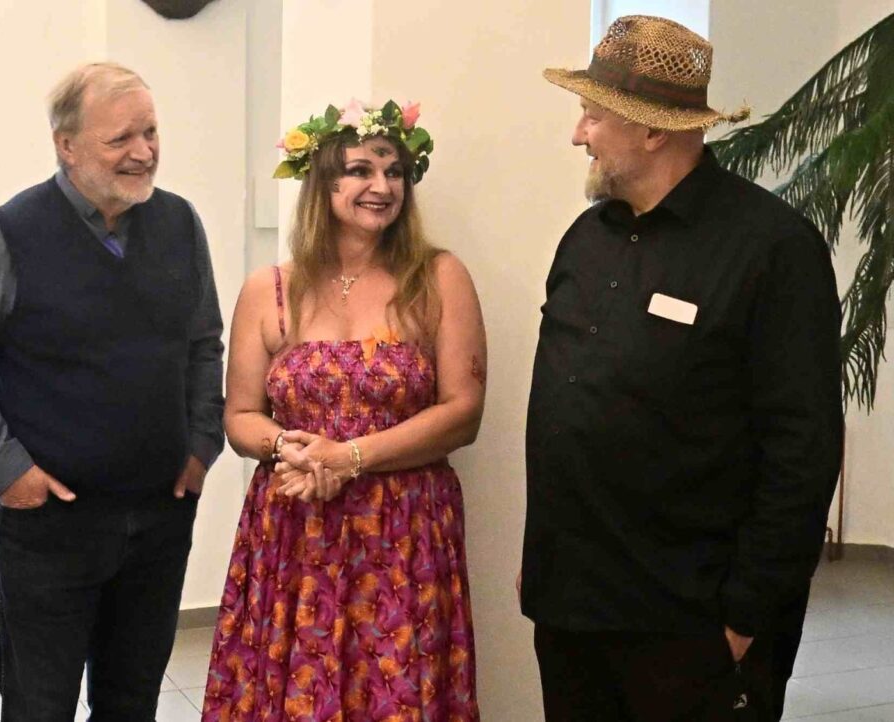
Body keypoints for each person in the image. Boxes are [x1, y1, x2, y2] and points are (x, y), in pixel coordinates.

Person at [520, 15, 843, 721]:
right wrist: (544, 560)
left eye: (592, 115)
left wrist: (746, 616)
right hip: (572, 607)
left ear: (651, 131)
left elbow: (803, 449)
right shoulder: (585, 239)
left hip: (692, 622)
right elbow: (565, 412)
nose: (578, 135)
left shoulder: (772, 249)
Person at [0, 62, 225, 721]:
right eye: (121, 139)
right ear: (67, 145)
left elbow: (204, 343)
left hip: (160, 517)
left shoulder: (180, 223)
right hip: (50, 526)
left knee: (131, 702)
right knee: (39, 705)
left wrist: (203, 444)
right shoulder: (9, 234)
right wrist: (8, 471)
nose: (144, 152)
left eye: (150, 132)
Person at [202, 99, 485, 721]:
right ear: (320, 182)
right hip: (295, 528)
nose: (382, 186)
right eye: (360, 170)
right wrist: (291, 448)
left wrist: (351, 457)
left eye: (394, 172)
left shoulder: (438, 277)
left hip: (403, 531)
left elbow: (463, 411)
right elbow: (241, 415)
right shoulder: (269, 289)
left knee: (394, 693)